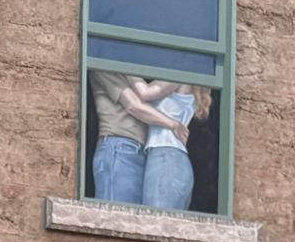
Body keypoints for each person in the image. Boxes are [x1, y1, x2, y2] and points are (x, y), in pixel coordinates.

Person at [128, 79, 211, 212]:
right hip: (171, 157)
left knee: (155, 223)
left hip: (166, 157)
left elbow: (144, 92)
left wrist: (124, 66)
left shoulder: (178, 75)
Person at [88, 69, 149, 204]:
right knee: (118, 217)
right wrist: (173, 123)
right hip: (119, 148)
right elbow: (134, 106)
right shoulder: (105, 66)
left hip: (135, 150)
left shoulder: (126, 67)